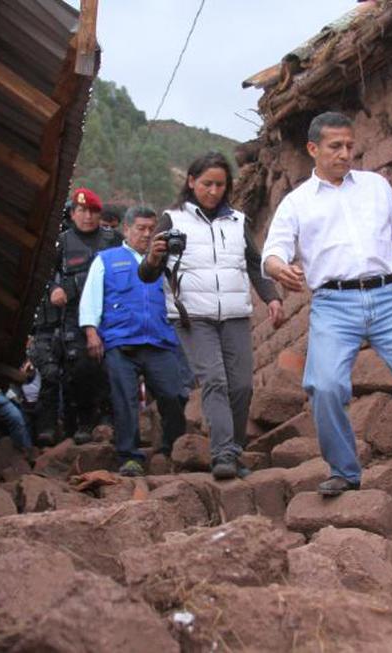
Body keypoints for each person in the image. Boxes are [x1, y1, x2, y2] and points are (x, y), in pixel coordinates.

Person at [261, 111, 392, 503]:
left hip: (391, 298)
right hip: (333, 304)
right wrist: (279, 269)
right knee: (324, 385)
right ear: (313, 149)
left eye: (349, 146)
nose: (344, 154)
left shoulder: (376, 186)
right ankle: (344, 471)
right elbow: (273, 252)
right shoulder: (296, 203)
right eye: (335, 147)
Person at [140, 152, 285, 480]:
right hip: (192, 317)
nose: (213, 190)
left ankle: (232, 450)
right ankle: (222, 455)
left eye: (220, 184)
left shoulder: (237, 221)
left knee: (242, 386)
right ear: (191, 182)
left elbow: (253, 262)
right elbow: (147, 276)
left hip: (234, 314)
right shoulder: (171, 219)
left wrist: (272, 298)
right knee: (215, 381)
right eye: (207, 183)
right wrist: (152, 258)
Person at [79, 206, 186, 476]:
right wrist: (91, 331)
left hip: (160, 340)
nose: (146, 234)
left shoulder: (166, 261)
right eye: (140, 228)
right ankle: (130, 457)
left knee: (174, 394)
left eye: (152, 229)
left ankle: (171, 448)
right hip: (120, 341)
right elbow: (91, 298)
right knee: (124, 399)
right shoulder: (106, 259)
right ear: (126, 230)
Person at [49, 187, 122, 442]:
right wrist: (55, 287)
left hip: (109, 313)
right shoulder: (62, 241)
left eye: (92, 211)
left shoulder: (112, 239)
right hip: (74, 313)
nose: (87, 216)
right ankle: (84, 420)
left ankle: (109, 417)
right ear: (72, 213)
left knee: (111, 366)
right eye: (82, 211)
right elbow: (47, 273)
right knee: (79, 368)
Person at [29, 286, 64, 446]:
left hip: (67, 325)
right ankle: (47, 428)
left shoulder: (65, 269)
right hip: (42, 333)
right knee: (50, 375)